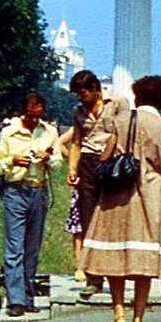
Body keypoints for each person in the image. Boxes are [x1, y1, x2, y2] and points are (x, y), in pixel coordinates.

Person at [81, 75, 161, 322]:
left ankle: (118, 317)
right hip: (149, 197)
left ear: (137, 96)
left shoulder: (121, 120)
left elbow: (105, 156)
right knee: (142, 265)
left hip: (116, 196)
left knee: (115, 259)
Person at [0, 92, 59, 317]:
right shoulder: (9, 133)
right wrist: (12, 160)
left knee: (32, 247)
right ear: (24, 112)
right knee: (14, 247)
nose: (33, 120)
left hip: (38, 189)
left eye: (37, 115)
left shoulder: (49, 132)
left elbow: (58, 162)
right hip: (16, 190)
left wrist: (47, 158)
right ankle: (16, 299)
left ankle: (29, 295)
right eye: (30, 115)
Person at [64, 69, 129, 288]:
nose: (79, 98)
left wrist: (109, 158)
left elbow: (123, 133)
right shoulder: (78, 112)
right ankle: (93, 276)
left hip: (111, 163)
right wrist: (73, 168)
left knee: (114, 217)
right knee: (88, 218)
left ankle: (117, 272)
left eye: (82, 93)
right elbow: (76, 142)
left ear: (94, 89)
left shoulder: (117, 103)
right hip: (88, 163)